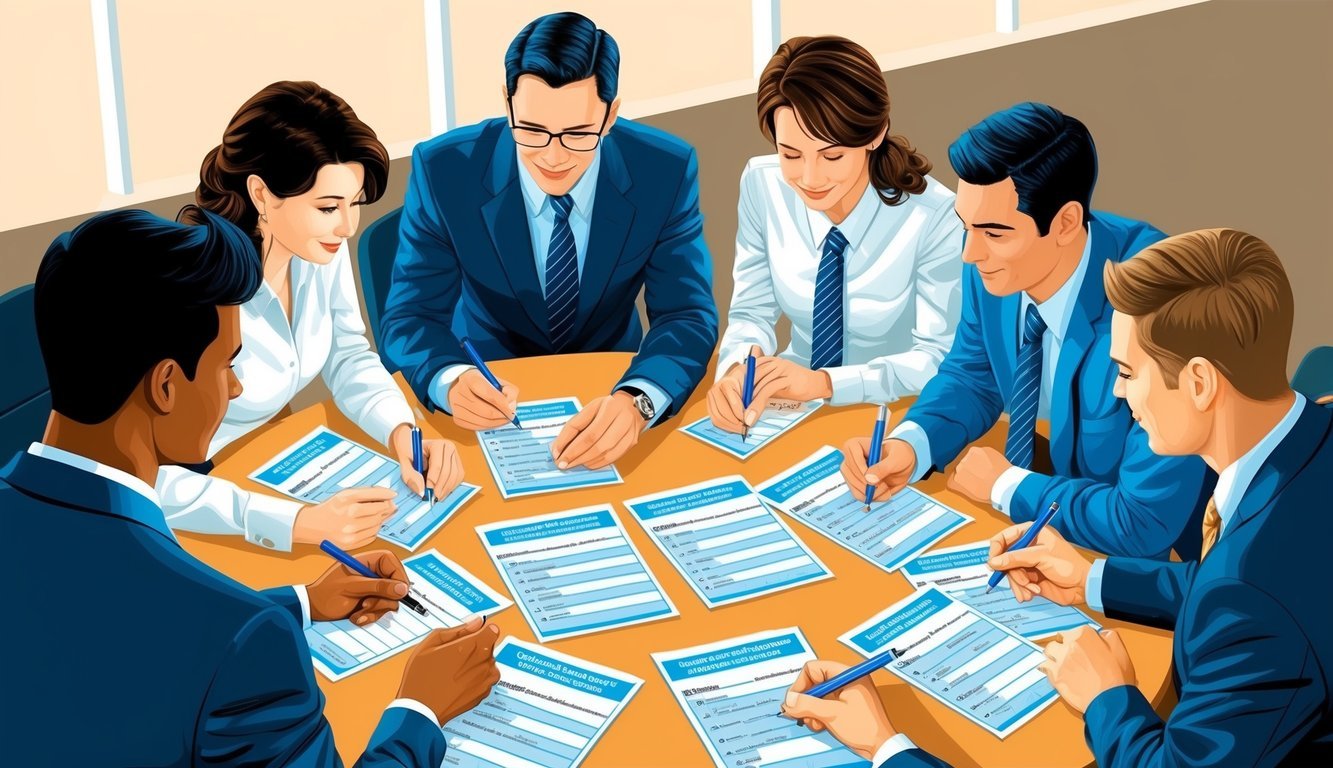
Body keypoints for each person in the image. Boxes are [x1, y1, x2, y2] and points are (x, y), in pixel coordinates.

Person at [1, 209, 501, 765]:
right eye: (227, 365)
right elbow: (189, 632)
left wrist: (301, 603)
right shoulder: (241, 639)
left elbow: (107, 629)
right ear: (166, 385)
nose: (236, 388)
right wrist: (421, 710)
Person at [986, 229, 1333, 765]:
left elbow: (1246, 597)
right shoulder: (1314, 432)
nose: (1119, 391)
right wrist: (1089, 579)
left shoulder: (1250, 598)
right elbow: (1230, 581)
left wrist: (1108, 698)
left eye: (1127, 371)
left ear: (1199, 382)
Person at [840, 102, 1212, 559]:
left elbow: (1143, 520)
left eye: (994, 233)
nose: (970, 254)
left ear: (1066, 223)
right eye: (965, 226)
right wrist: (912, 443)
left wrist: (1005, 485)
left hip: (1163, 567)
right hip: (1054, 536)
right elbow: (972, 375)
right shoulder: (991, 258)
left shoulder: (1157, 303)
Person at [382, 11, 717, 471]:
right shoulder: (444, 170)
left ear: (611, 113)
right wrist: (449, 379)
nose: (553, 157)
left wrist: (639, 400)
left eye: (578, 134)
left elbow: (686, 314)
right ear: (508, 104)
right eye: (533, 130)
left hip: (611, 390)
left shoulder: (664, 168)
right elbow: (411, 316)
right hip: (483, 404)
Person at [157, 81, 465, 553]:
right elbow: (143, 477)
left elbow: (348, 356)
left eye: (354, 204)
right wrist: (294, 522)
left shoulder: (317, 247)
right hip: (202, 512)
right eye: (327, 207)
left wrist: (404, 433)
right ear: (261, 194)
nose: (346, 226)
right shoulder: (189, 286)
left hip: (274, 467)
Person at [708, 35, 962, 431]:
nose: (809, 178)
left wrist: (824, 383)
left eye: (832, 155)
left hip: (893, 415)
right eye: (790, 154)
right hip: (789, 408)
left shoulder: (936, 218)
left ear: (875, 134)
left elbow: (938, 358)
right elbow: (751, 312)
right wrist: (739, 367)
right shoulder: (763, 185)